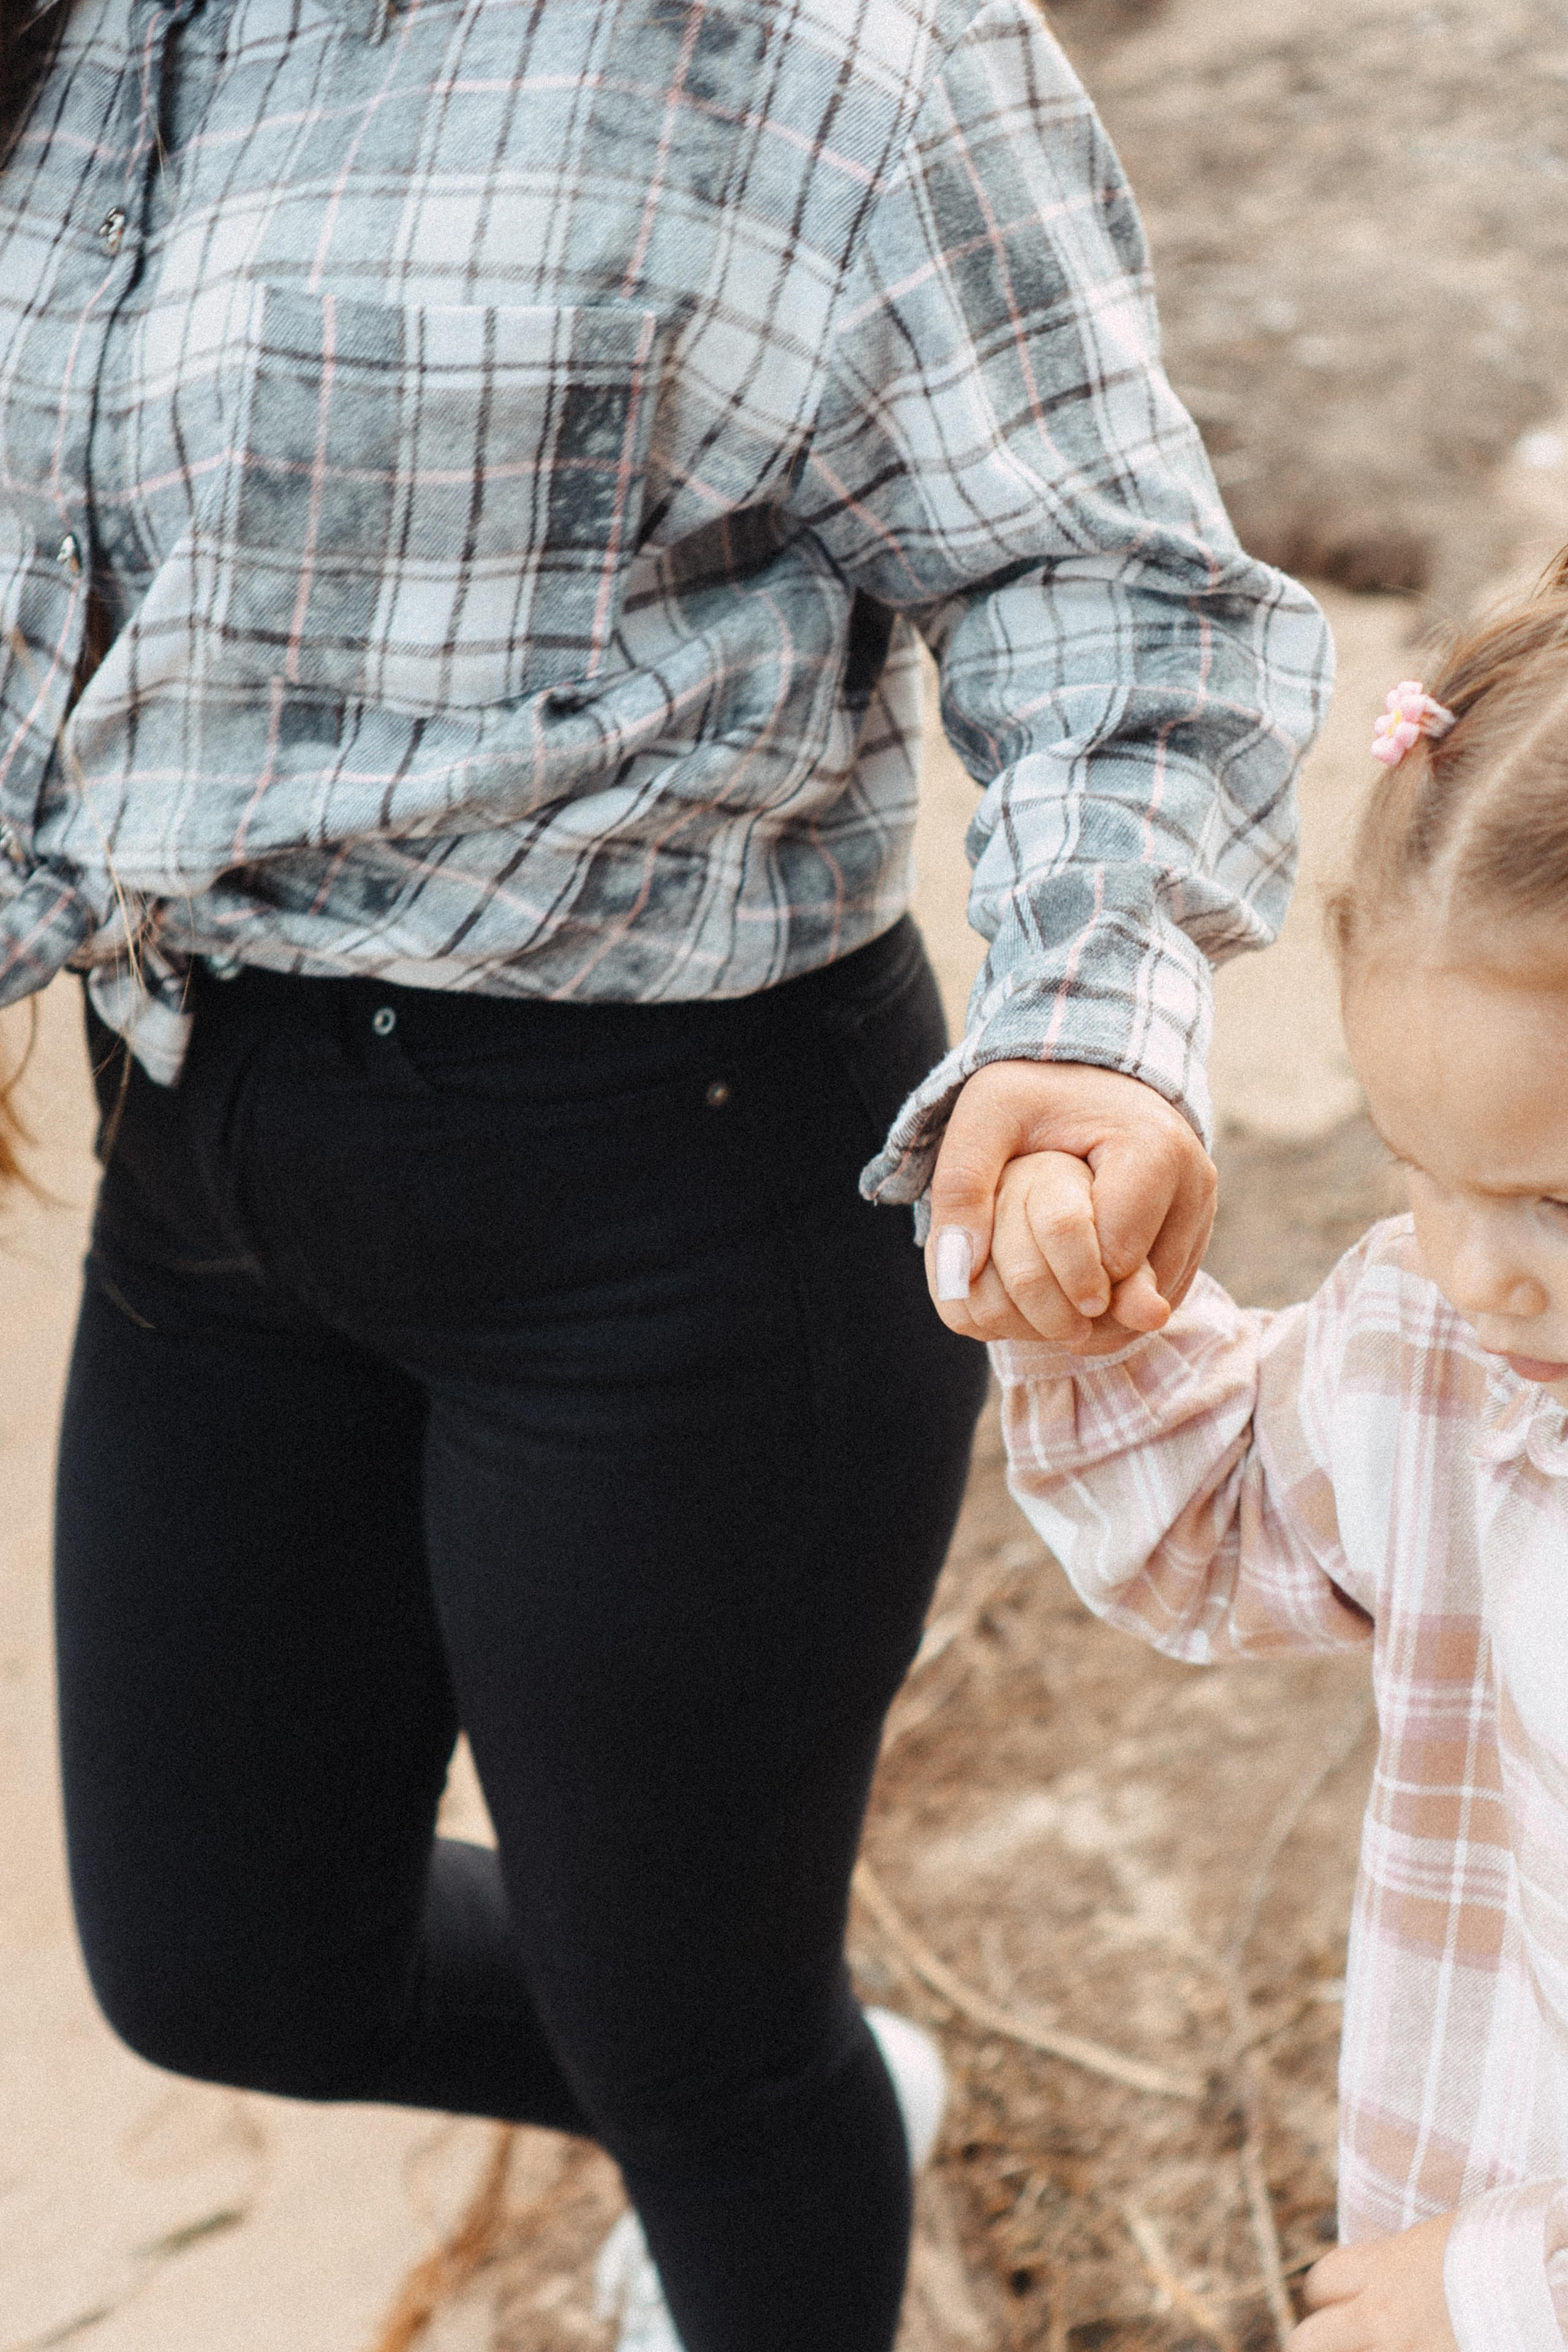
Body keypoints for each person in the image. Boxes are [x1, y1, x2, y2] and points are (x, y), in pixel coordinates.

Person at [0, 0, 1328, 2340]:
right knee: (227, 1977)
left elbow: (1100, 584)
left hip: (677, 1211)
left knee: (701, 2046)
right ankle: (835, 2090)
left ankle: (790, 2143)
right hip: (198, 1144)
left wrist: (1097, 1020)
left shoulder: (832, 52)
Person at [988, 575, 1568, 2352]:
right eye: (1416, 1162)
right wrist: (1083, 1295)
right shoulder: (1442, 1352)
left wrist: (1497, 2294)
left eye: (1554, 1200)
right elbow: (1213, 1525)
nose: (1479, 1269)